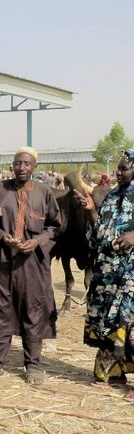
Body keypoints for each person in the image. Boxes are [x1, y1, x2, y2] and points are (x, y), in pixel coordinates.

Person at [0, 147, 61, 385]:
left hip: (33, 263)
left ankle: (33, 366)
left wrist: (37, 241)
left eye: (27, 164)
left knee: (33, 311)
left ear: (34, 166)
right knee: (1, 310)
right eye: (17, 164)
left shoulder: (45, 193)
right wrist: (2, 237)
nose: (22, 168)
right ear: (12, 166)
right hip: (3, 261)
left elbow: (55, 227)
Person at [77, 151, 134, 399]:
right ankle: (112, 374)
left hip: (129, 272)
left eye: (123, 168)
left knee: (129, 320)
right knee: (107, 320)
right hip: (107, 271)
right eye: (118, 169)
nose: (117, 173)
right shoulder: (112, 194)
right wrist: (91, 211)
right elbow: (101, 230)